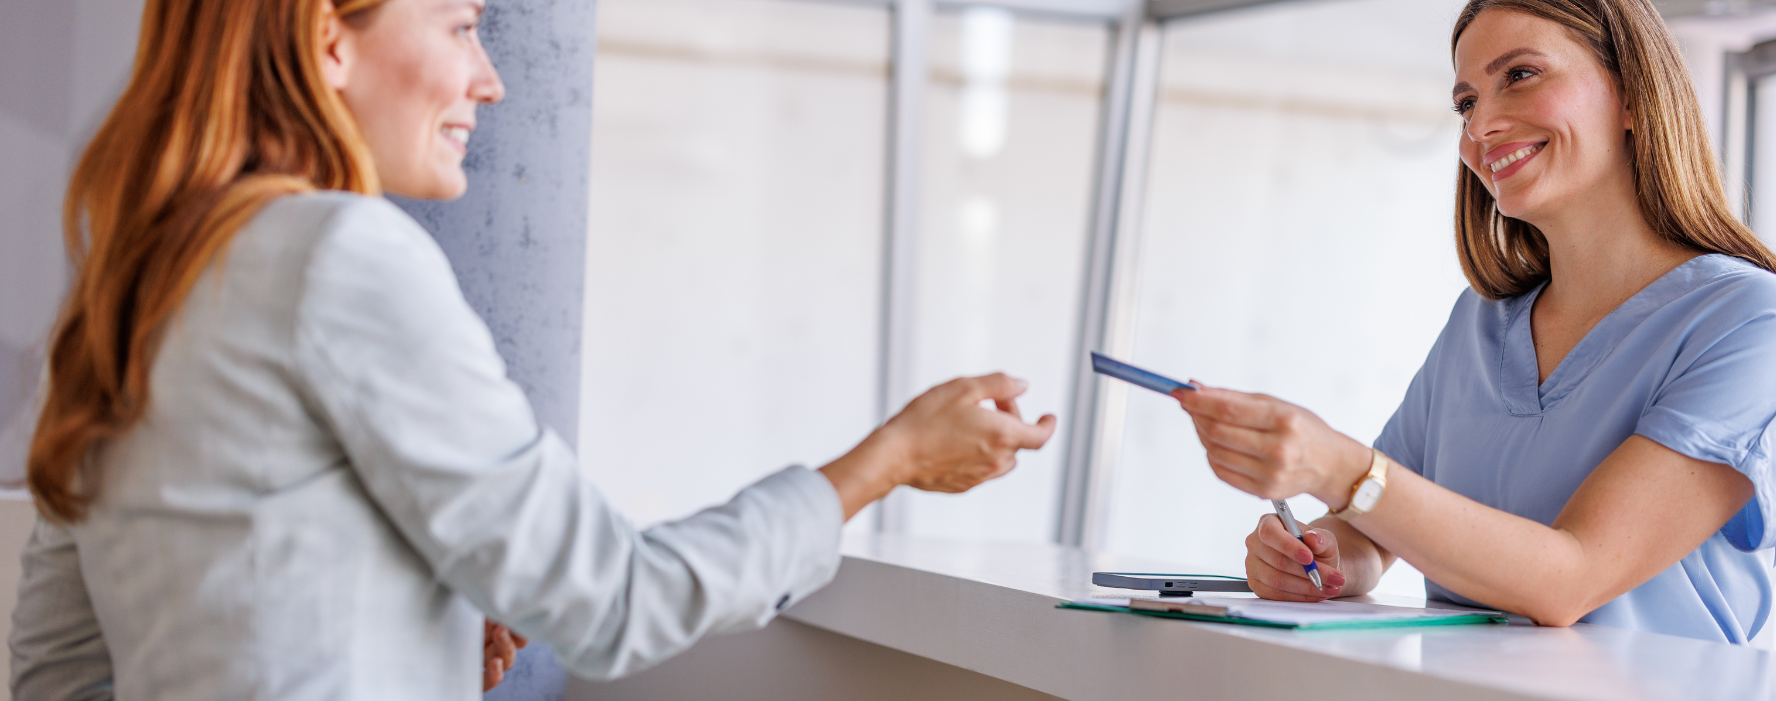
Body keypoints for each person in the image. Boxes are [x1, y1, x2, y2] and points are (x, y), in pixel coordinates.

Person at [9, 0, 1057, 698]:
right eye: (462, 23)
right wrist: (886, 462)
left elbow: (60, 668)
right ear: (329, 37)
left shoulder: (128, 288)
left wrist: (403, 641)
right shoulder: (340, 255)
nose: (491, 78)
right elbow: (614, 598)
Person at [1172, 0, 1776, 644]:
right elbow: (1375, 529)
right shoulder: (1480, 325)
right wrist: (1321, 559)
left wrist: (1339, 469)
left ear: (1631, 92)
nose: (1481, 124)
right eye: (1465, 102)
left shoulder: (1752, 320)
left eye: (1519, 75)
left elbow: (1571, 577)